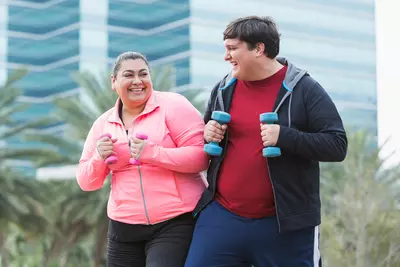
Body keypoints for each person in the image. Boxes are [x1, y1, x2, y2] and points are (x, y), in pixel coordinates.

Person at [184, 16, 348, 267]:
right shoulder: (223, 88)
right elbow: (207, 134)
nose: (226, 57)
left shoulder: (304, 89)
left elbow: (337, 144)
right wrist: (209, 132)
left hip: (285, 225)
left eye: (232, 49)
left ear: (259, 49)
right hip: (223, 217)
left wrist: (285, 136)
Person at [76, 51, 209, 267]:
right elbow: (86, 182)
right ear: (114, 81)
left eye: (143, 74)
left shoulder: (174, 105)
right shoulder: (103, 123)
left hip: (175, 221)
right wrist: (99, 158)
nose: (137, 81)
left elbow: (201, 157)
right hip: (123, 226)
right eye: (129, 75)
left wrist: (152, 153)